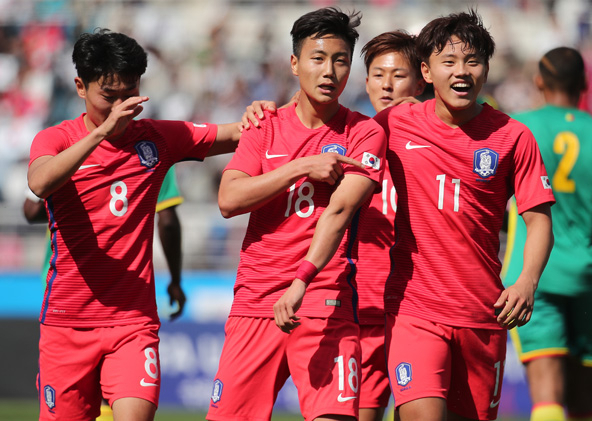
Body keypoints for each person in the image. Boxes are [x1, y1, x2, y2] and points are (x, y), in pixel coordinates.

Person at [27, 28, 242, 421]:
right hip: (66, 324)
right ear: (80, 85)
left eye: (130, 95)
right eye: (109, 97)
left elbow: (233, 135)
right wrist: (102, 133)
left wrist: (273, 115)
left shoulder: (157, 139)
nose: (121, 107)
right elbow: (39, 183)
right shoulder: (55, 140)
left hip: (132, 322)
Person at [373, 10, 555, 421]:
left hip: (483, 316)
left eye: (473, 61)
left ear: (487, 68)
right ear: (427, 71)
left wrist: (526, 281)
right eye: (449, 62)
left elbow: (539, 220)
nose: (462, 72)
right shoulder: (396, 123)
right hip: (414, 310)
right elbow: (337, 139)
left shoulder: (513, 136)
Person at [207, 7, 387, 421]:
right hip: (256, 302)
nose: (329, 71)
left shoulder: (365, 133)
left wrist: (302, 279)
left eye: (340, 60)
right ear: (294, 63)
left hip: (327, 301)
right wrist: (302, 166)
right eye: (318, 58)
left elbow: (340, 211)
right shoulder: (263, 125)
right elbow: (229, 200)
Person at [502, 47, 592, 421]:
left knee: (546, 398)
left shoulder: (518, 127)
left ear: (539, 81)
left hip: (535, 275)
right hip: (589, 274)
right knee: (583, 403)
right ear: (585, 84)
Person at [356, 31, 425, 421]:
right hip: (365, 302)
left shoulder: (440, 136)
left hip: (419, 305)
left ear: (420, 80)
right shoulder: (354, 137)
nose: (386, 84)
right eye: (378, 74)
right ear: (365, 82)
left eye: (398, 75)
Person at [24, 166, 186, 321]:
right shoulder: (155, 147)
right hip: (125, 291)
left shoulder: (65, 144)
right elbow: (168, 222)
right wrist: (176, 281)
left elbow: (31, 210)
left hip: (65, 286)